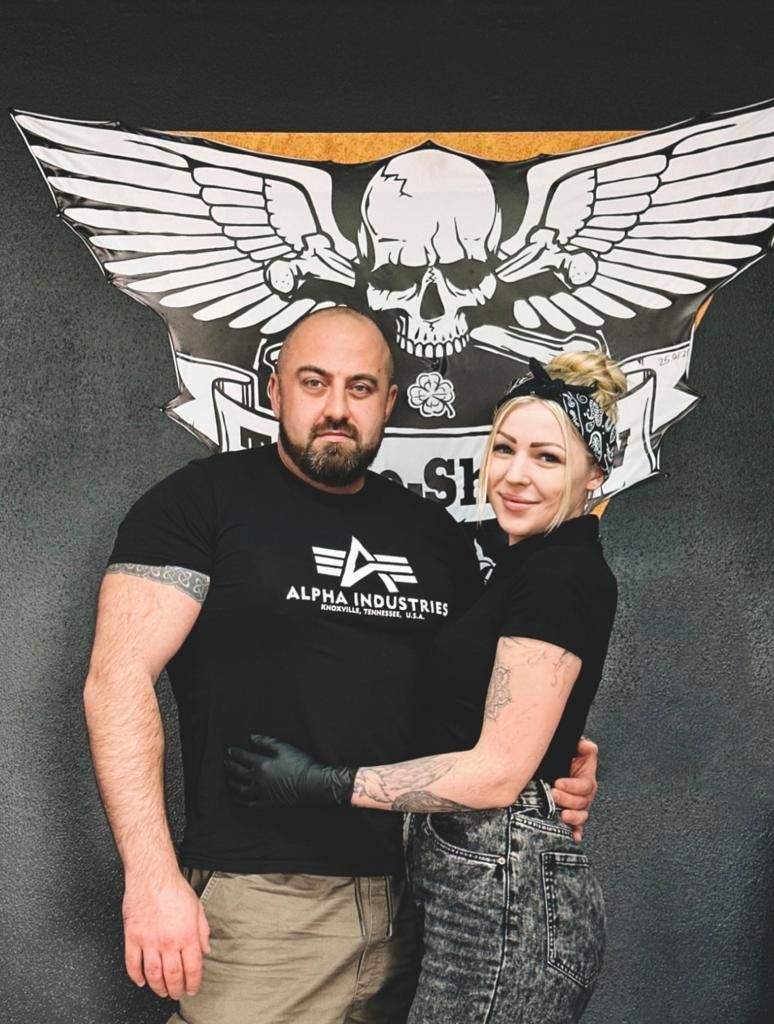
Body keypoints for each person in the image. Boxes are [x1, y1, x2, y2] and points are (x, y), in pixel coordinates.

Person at [83, 306, 600, 1024]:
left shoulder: (435, 537)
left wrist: (555, 760)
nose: (336, 408)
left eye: (360, 389)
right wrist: (150, 876)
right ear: (274, 391)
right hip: (267, 903)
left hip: (433, 905)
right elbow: (117, 681)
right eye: (314, 382)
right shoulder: (200, 505)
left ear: (389, 403)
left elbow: (486, 695)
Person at [225, 348, 626, 1023]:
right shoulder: (517, 560)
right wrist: (562, 748)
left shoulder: (564, 573)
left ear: (596, 474)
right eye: (504, 450)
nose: (516, 476)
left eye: (548, 458)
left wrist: (324, 781)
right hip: (480, 881)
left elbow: (498, 775)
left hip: (507, 897)